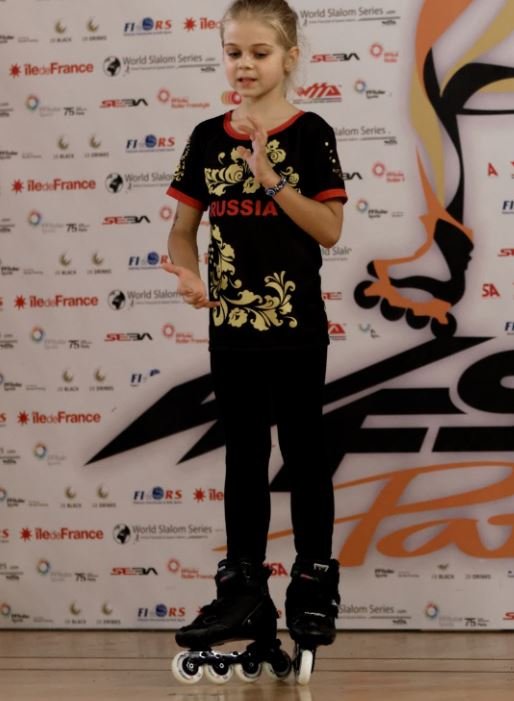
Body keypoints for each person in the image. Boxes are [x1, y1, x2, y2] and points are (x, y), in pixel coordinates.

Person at [164, 0, 347, 684]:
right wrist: (187, 271)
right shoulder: (206, 136)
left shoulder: (311, 133)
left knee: (304, 455)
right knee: (244, 457)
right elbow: (183, 230)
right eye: (234, 52)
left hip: (297, 330)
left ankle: (313, 582)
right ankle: (243, 585)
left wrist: (271, 179)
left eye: (259, 53)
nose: (244, 65)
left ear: (290, 57)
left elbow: (329, 230)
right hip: (232, 333)